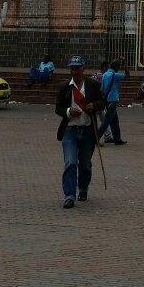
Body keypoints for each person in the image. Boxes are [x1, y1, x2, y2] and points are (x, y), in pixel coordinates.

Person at [56, 56, 98, 207]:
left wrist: (94, 105)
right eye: (72, 68)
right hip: (70, 131)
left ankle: (83, 188)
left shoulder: (92, 85)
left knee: (85, 164)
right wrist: (68, 111)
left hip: (87, 131)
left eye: (77, 68)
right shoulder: (65, 86)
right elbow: (58, 108)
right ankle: (69, 195)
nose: (74, 71)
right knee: (70, 162)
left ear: (83, 68)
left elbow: (102, 101)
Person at [97, 58, 127, 145]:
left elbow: (102, 88)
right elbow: (127, 75)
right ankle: (96, 138)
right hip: (113, 100)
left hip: (106, 99)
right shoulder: (115, 75)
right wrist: (125, 65)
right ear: (117, 67)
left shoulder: (105, 74)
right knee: (107, 121)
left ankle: (117, 139)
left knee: (114, 120)